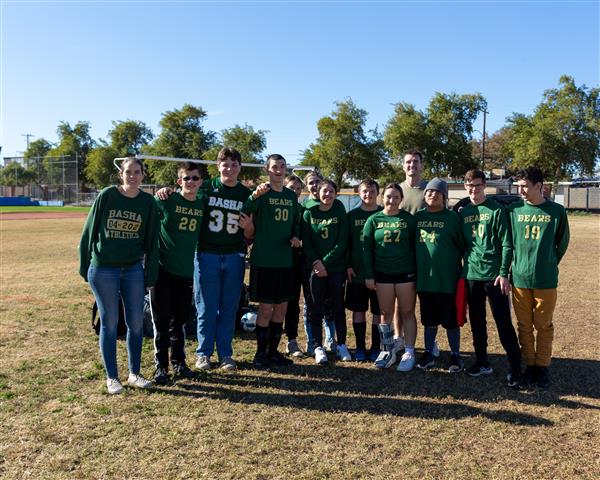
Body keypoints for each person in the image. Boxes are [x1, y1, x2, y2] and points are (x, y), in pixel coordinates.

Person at [79, 157, 159, 394]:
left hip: (133, 268)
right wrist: (85, 266)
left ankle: (135, 373)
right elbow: (89, 232)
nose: (132, 176)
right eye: (128, 172)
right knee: (110, 322)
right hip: (104, 268)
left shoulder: (148, 202)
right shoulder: (107, 195)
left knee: (135, 323)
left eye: (137, 172)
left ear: (143, 175)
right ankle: (112, 377)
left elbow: (152, 241)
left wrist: (150, 272)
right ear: (120, 175)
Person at [507, 166, 569, 388]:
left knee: (543, 325)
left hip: (545, 278)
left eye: (525, 186)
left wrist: (549, 262)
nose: (521, 190)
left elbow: (561, 243)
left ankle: (542, 367)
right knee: (524, 325)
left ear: (539, 186)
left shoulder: (556, 211)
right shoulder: (513, 211)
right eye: (519, 186)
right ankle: (529, 365)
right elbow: (509, 243)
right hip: (520, 278)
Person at [193, 147, 254, 371]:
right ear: (218, 166)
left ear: (240, 167)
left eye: (234, 164)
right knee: (206, 307)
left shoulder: (246, 194)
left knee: (228, 308)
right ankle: (204, 353)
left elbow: (249, 235)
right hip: (206, 254)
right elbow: (187, 199)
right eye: (225, 164)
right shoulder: (206, 187)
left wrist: (248, 228)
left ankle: (226, 354)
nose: (229, 168)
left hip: (234, 255)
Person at [459, 169, 522, 388]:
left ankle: (516, 368)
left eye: (477, 185)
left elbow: (507, 243)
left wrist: (503, 272)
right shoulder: (464, 212)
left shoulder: (496, 210)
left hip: (494, 277)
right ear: (465, 186)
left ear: (484, 185)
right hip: (472, 275)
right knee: (477, 322)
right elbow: (462, 245)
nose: (473, 189)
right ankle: (482, 362)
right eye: (469, 185)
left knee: (503, 322)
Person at [242, 154, 301, 369]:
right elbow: (245, 213)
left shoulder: (290, 196)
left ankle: (273, 352)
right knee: (266, 309)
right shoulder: (261, 194)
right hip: (264, 260)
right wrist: (253, 197)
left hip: (285, 261)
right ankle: (260, 354)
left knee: (282, 308)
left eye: (283, 166)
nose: (279, 170)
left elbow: (296, 221)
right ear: (267, 169)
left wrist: (296, 236)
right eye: (275, 167)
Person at [150, 162, 206, 385]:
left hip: (185, 271)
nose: (191, 182)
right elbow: (148, 211)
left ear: (201, 181)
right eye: (186, 178)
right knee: (161, 321)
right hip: (163, 269)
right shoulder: (168, 200)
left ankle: (179, 363)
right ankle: (160, 366)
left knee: (180, 321)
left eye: (195, 178)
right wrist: (159, 192)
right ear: (178, 181)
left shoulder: (202, 205)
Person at [363, 183, 418, 371]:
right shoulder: (373, 220)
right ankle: (387, 350)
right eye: (388, 196)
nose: (391, 200)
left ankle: (409, 350)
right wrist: (369, 275)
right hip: (383, 273)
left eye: (395, 197)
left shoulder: (408, 219)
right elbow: (367, 250)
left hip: (405, 273)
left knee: (407, 312)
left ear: (401, 199)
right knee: (385, 314)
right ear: (382, 197)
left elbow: (415, 246)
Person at [414, 178, 465, 373]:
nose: (432, 195)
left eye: (437, 193)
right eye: (429, 192)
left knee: (451, 320)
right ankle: (429, 353)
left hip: (448, 279)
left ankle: (455, 355)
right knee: (429, 320)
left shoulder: (452, 218)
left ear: (444, 197)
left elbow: (462, 245)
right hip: (426, 279)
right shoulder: (418, 217)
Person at [302, 179, 350, 365]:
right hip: (315, 268)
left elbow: (342, 240)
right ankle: (317, 346)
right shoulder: (309, 212)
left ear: (336, 194)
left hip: (335, 267)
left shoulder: (339, 210)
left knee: (338, 306)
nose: (327, 194)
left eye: (331, 191)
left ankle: (342, 345)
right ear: (318, 192)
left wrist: (326, 262)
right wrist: (317, 262)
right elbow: (307, 241)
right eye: (324, 191)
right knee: (315, 308)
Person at [346, 179, 383, 362]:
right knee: (358, 310)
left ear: (378, 192)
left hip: (378, 272)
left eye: (371, 191)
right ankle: (360, 347)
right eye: (364, 191)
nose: (368, 194)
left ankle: (376, 347)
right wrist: (348, 265)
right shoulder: (352, 215)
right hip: (357, 273)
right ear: (359, 193)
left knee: (378, 313)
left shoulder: (383, 213)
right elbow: (346, 243)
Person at [300, 170, 336, 355]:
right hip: (310, 263)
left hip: (330, 264)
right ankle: (312, 340)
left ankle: (330, 338)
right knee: (310, 303)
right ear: (307, 185)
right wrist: (315, 262)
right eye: (311, 182)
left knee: (329, 302)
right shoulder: (305, 207)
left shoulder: (333, 204)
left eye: (317, 182)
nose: (314, 186)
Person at [283, 174, 306, 358]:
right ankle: (269, 341)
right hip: (274, 261)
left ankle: (291, 340)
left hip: (295, 262)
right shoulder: (277, 205)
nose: (295, 191)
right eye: (292, 188)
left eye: (298, 189)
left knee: (292, 303)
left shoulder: (302, 210)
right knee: (272, 303)